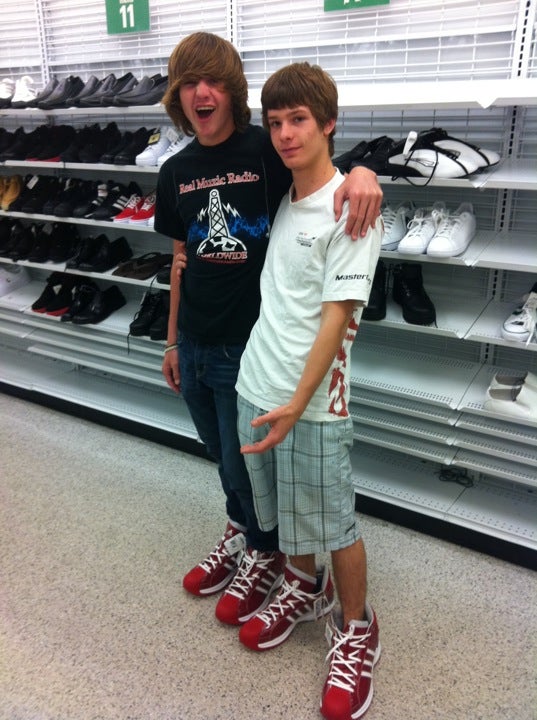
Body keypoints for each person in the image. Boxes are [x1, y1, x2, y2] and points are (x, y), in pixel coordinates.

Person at [154, 31, 382, 629]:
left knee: (259, 471)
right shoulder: (175, 171)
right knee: (229, 464)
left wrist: (365, 171)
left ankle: (266, 554)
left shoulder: (264, 153)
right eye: (189, 83)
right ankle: (249, 536)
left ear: (232, 92)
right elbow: (180, 258)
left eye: (213, 81)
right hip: (203, 345)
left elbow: (325, 164)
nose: (201, 93)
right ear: (177, 95)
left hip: (248, 347)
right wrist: (172, 340)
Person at [235, 62, 382, 720]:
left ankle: (356, 627)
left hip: (313, 404)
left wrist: (298, 404)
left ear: (328, 124)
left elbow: (337, 316)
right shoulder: (284, 192)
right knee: (286, 513)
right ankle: (299, 581)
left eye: (298, 120)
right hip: (257, 383)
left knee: (335, 523)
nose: (285, 134)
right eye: (275, 123)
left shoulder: (351, 208)